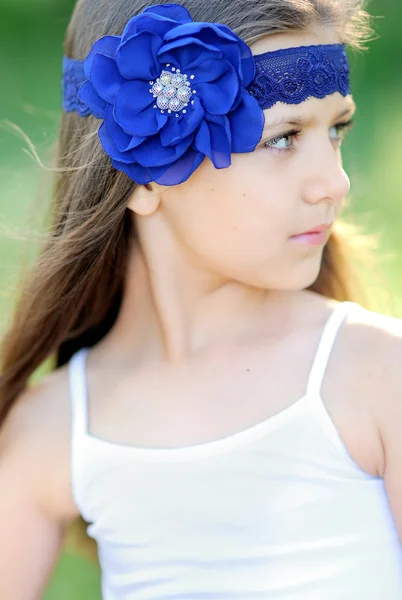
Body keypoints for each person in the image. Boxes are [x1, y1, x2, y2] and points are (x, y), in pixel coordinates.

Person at [0, 0, 401, 598]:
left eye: (336, 130)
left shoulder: (374, 377)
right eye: (284, 138)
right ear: (144, 174)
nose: (335, 182)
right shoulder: (55, 430)